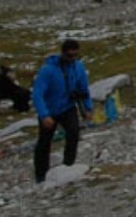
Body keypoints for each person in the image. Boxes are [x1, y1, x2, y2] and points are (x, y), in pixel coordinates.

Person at [33, 39, 92, 183]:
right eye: (69, 56)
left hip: (68, 107)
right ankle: (41, 176)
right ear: (63, 53)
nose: (72, 59)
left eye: (75, 55)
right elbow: (37, 93)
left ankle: (68, 166)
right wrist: (44, 114)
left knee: (73, 133)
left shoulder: (78, 67)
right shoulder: (48, 70)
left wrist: (88, 108)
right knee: (44, 142)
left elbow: (83, 89)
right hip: (50, 110)